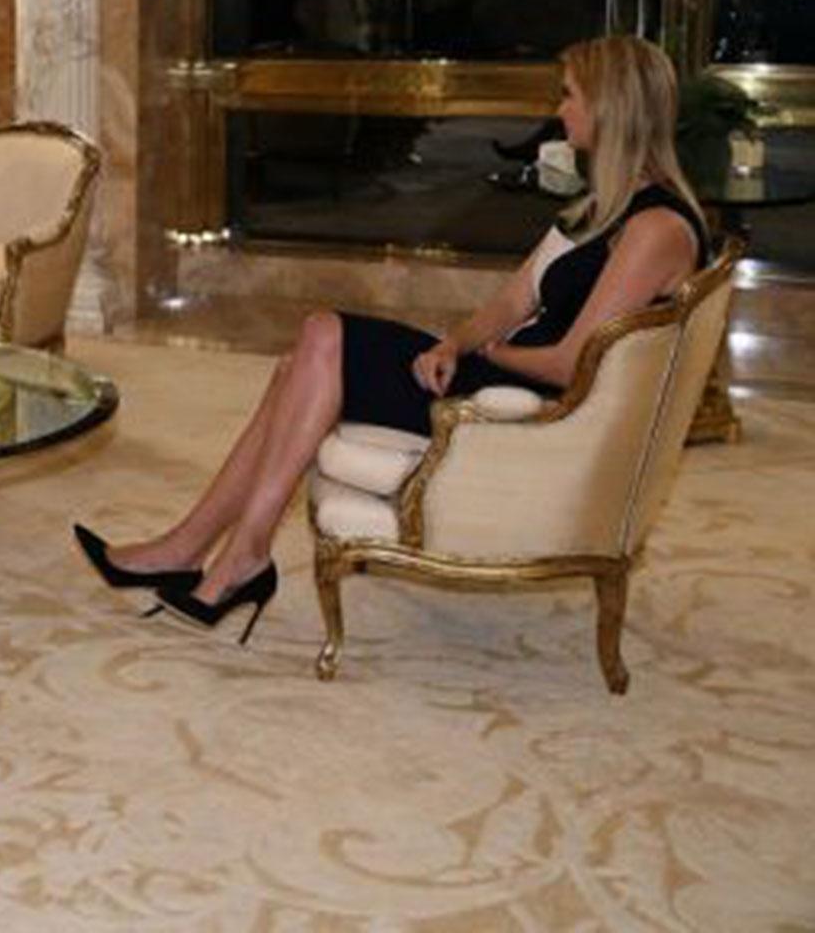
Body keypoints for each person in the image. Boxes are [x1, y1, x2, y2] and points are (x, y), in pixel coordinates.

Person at [75, 35, 710, 641]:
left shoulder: (656, 228)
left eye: (570, 94)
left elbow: (574, 363)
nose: (559, 107)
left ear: (610, 108)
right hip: (494, 372)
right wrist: (454, 344)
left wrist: (489, 355)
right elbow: (516, 297)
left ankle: (236, 552)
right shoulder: (608, 203)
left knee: (323, 336)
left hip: (524, 403)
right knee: (301, 361)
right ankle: (196, 548)